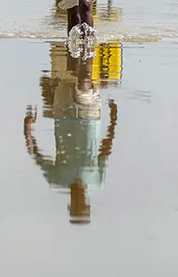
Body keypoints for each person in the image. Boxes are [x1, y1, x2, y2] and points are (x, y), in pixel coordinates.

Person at [24, 43, 119, 225]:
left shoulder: (57, 179)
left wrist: (27, 130)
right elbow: (105, 150)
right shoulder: (97, 181)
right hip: (89, 115)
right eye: (82, 205)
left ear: (71, 204)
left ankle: (81, 34)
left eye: (78, 205)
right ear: (86, 203)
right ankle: (85, 36)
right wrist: (114, 119)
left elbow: (35, 154)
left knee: (70, 69)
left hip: (62, 111)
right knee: (83, 78)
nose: (79, 201)